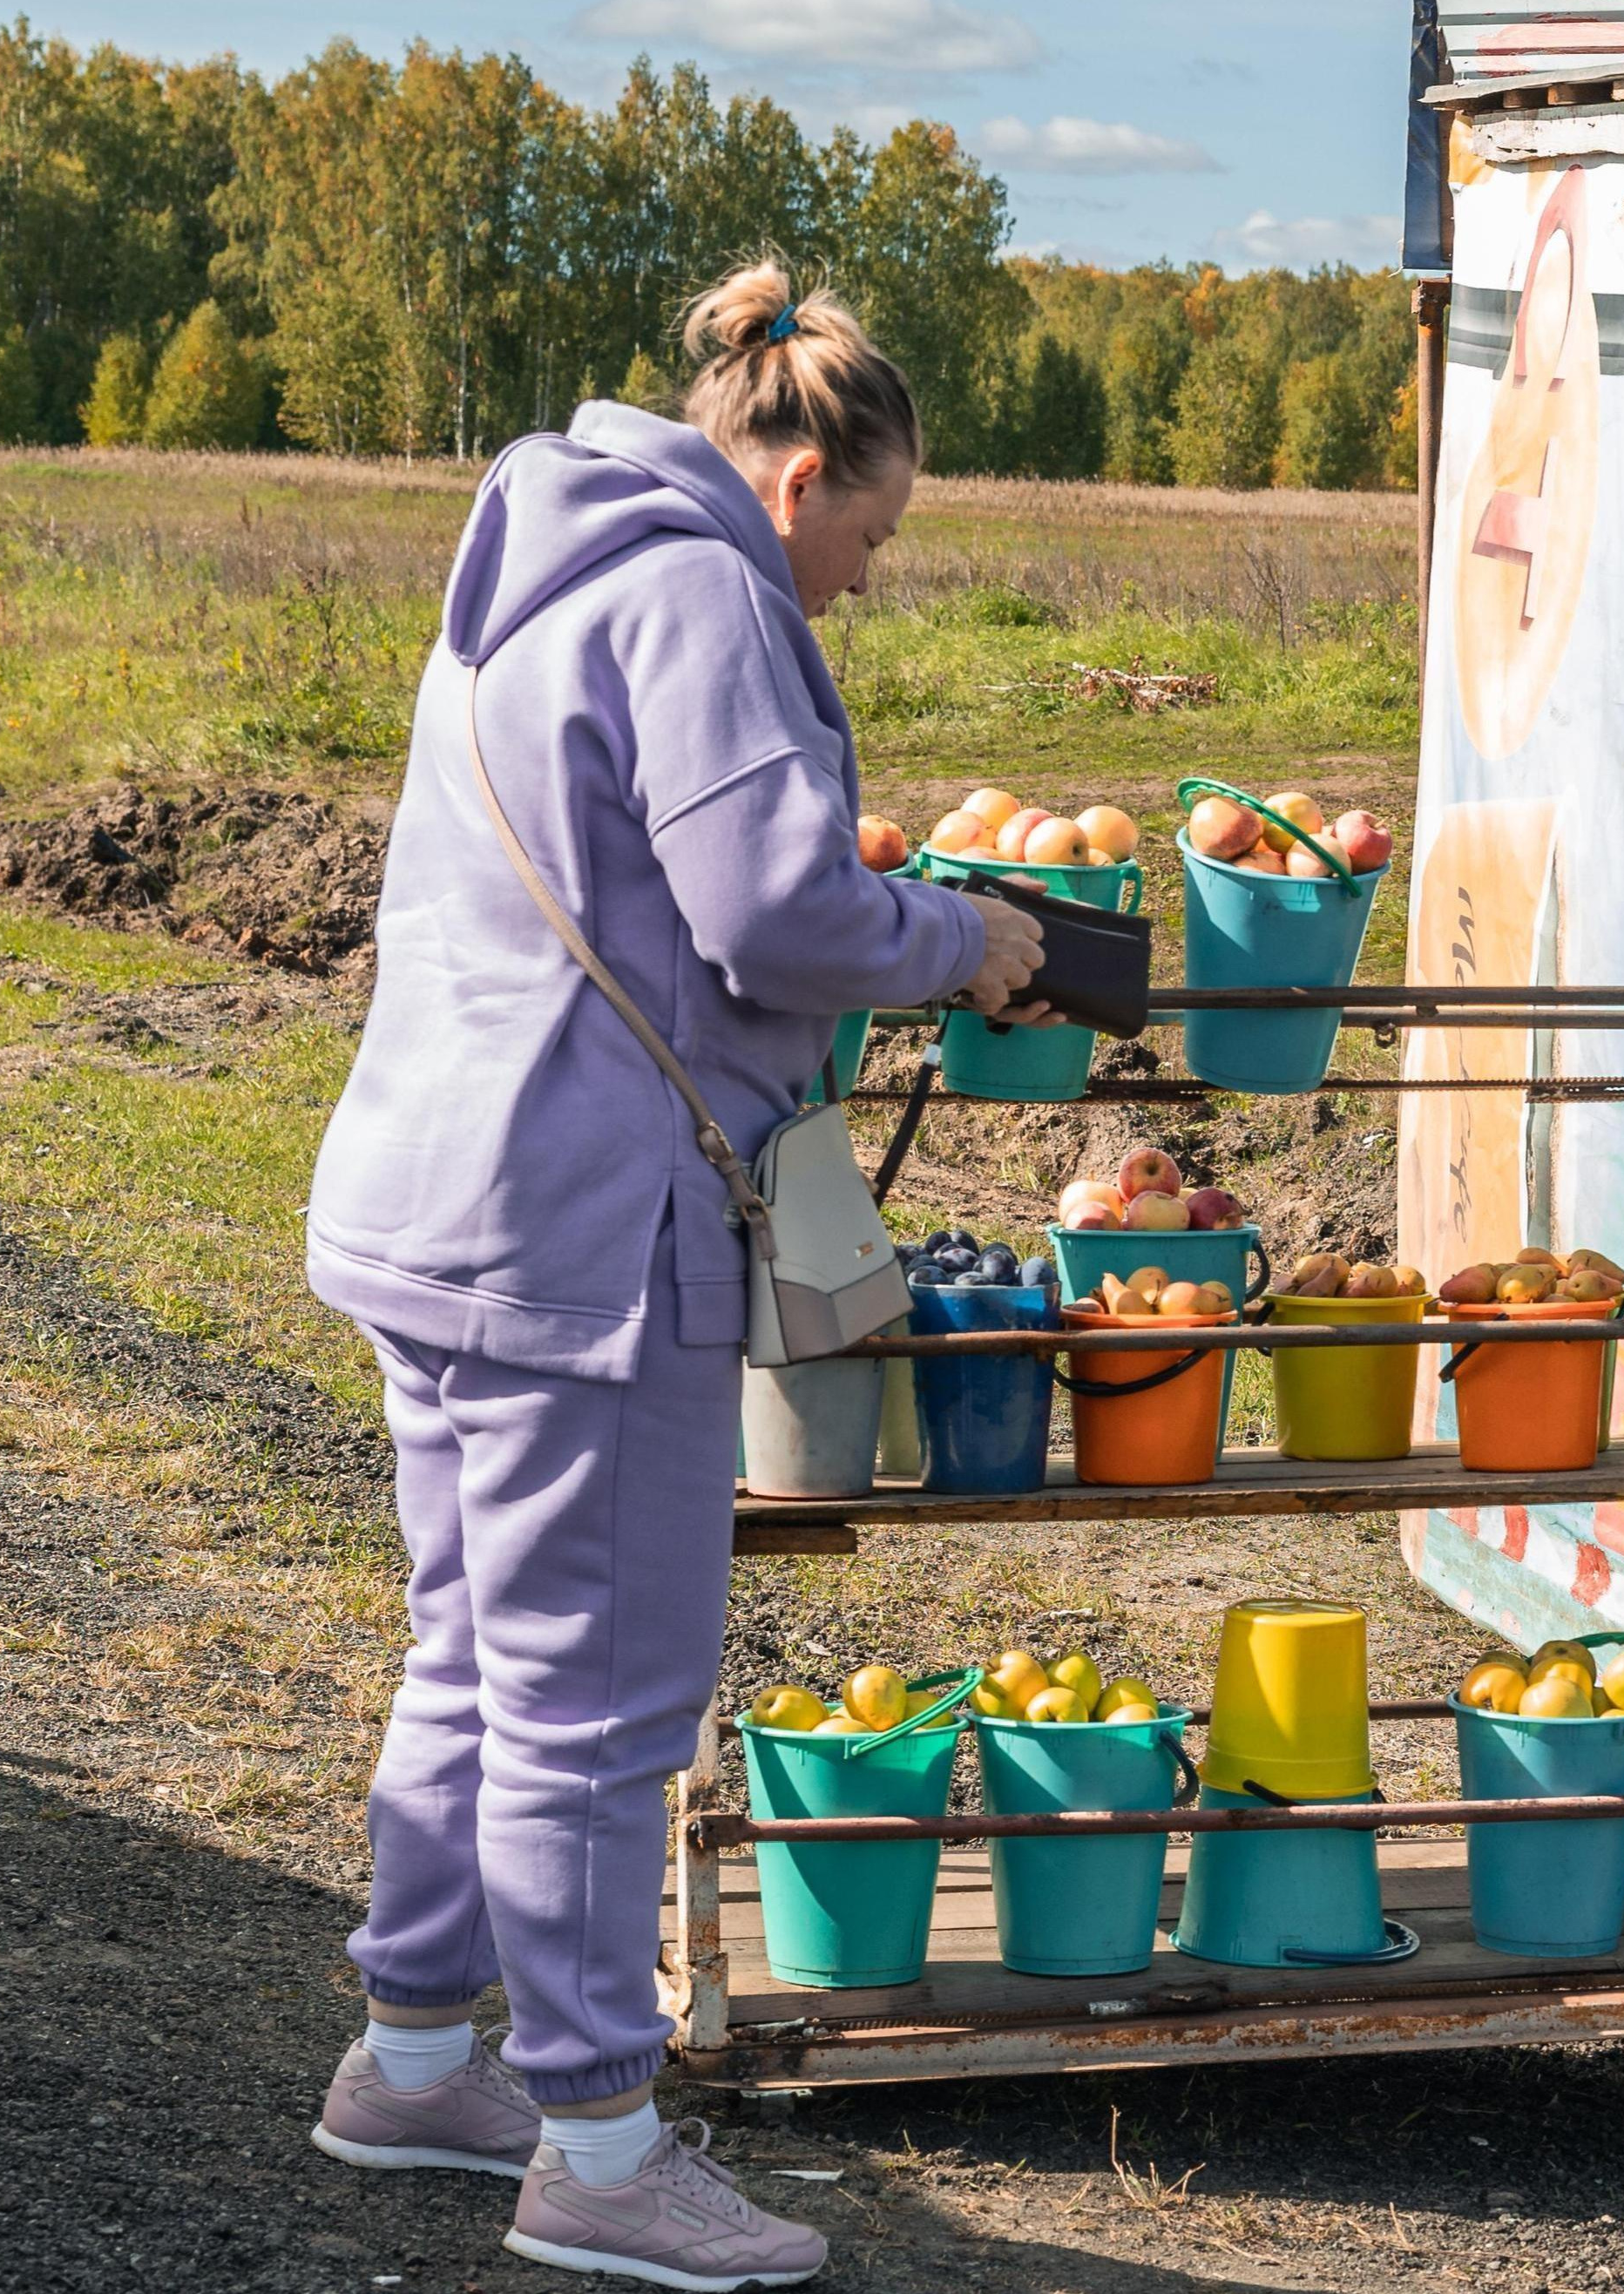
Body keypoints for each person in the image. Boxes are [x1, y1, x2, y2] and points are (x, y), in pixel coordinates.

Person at [297, 258, 1045, 2291]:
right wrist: (952, 937)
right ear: (797, 477)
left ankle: (411, 2057)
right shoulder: (705, 591)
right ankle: (603, 2156)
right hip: (585, 1233)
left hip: (431, 1192)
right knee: (600, 1707)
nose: (866, 584)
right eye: (873, 538)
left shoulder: (534, 561)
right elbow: (779, 913)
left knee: (468, 1652)